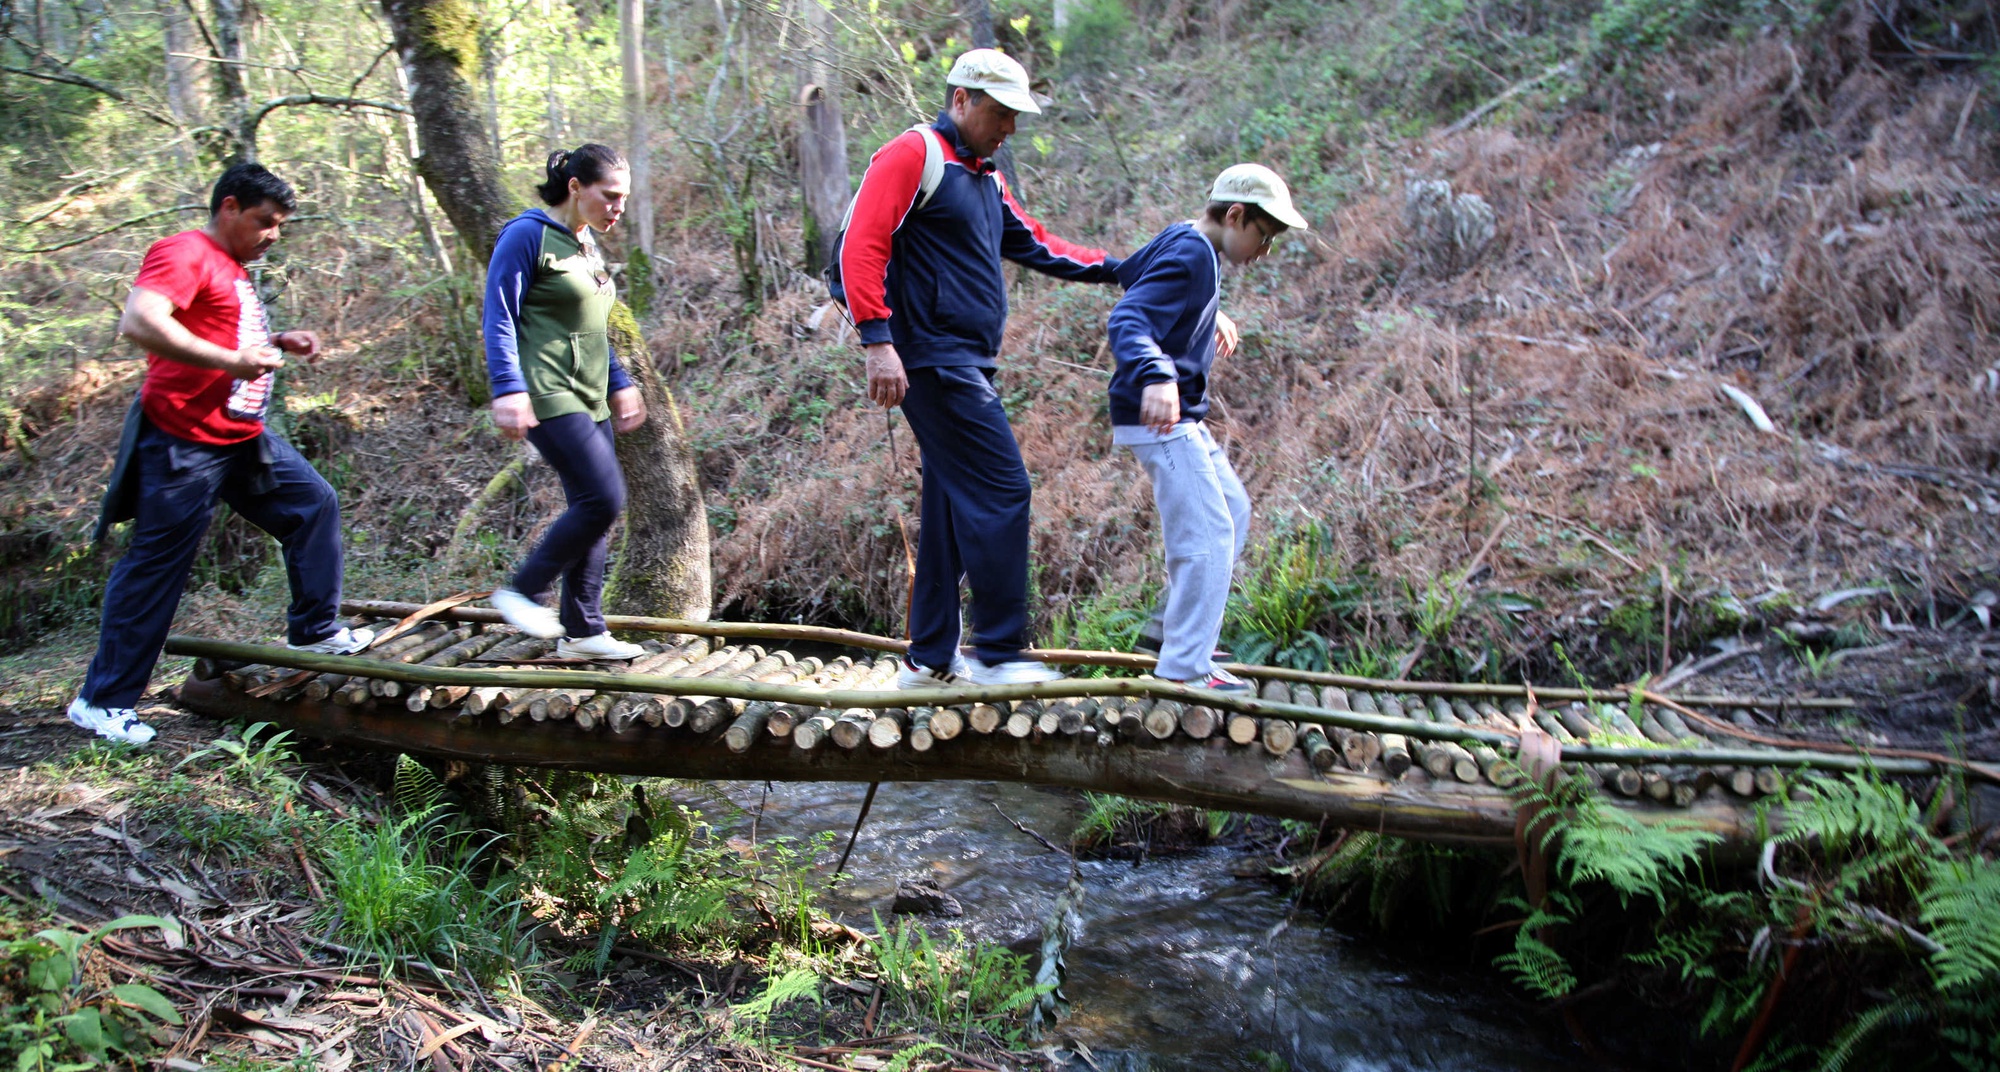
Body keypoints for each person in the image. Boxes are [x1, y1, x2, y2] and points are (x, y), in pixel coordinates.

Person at [835, 48, 1123, 688]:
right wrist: (877, 341)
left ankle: (928, 656)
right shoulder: (913, 155)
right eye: (1001, 113)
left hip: (965, 358)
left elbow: (1038, 244)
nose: (1010, 128)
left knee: (947, 508)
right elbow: (863, 243)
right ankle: (997, 651)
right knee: (1002, 488)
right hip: (931, 357)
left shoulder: (983, 177)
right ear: (961, 100)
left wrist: (1120, 268)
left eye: (1017, 116)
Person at [70, 164, 370, 745]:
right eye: (265, 222)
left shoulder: (231, 269)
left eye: (281, 225)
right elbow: (142, 320)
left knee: (312, 505)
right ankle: (101, 702)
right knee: (157, 566)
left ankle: (313, 631)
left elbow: (219, 335)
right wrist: (232, 362)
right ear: (229, 207)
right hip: (182, 438)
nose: (274, 235)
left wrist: (275, 342)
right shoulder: (183, 252)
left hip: (239, 435)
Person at [1105, 163, 1307, 692]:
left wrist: (1206, 309)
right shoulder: (1194, 254)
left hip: (1181, 418)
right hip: (1161, 420)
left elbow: (1133, 273)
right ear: (1235, 215)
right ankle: (1185, 668)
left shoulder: (1187, 241)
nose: (1264, 252)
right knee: (1208, 533)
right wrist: (1154, 373)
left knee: (1233, 510)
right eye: (1263, 237)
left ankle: (1171, 629)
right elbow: (1127, 317)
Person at [482, 144, 649, 660]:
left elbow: (594, 327)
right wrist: (507, 388)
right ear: (576, 187)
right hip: (545, 390)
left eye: (624, 198)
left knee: (591, 508)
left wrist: (620, 380)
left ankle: (584, 631)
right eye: (610, 196)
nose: (618, 207)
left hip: (590, 394)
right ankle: (521, 591)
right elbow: (499, 315)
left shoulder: (583, 246)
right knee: (603, 498)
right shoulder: (526, 235)